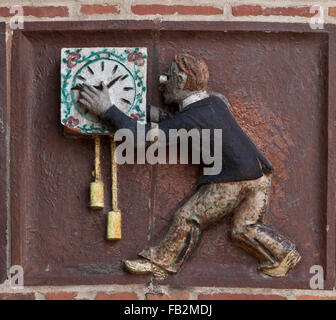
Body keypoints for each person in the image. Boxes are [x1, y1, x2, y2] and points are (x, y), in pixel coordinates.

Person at [78, 53, 301, 279]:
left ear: (183, 82)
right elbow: (177, 124)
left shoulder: (195, 117)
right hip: (257, 176)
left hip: (234, 180)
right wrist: (135, 107)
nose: (164, 80)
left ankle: (161, 265)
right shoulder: (214, 101)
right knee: (243, 228)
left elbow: (140, 136)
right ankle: (284, 254)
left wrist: (106, 110)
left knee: (189, 217)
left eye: (171, 76)